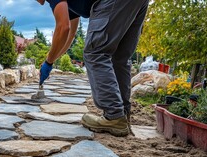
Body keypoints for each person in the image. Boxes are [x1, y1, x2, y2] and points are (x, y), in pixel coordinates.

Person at [37, 0, 149, 137]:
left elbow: (63, 27)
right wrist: (51, 60)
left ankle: (114, 116)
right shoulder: (69, 5)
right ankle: (122, 115)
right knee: (119, 58)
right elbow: (70, 33)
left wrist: (48, 61)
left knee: (95, 52)